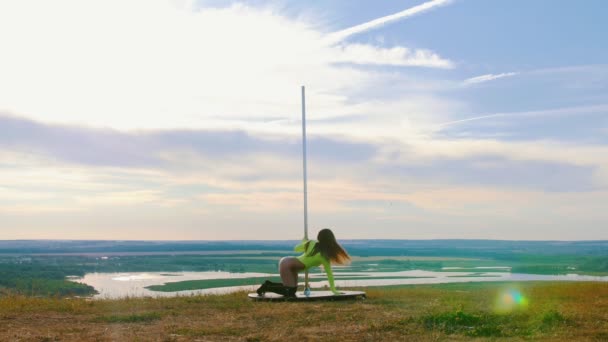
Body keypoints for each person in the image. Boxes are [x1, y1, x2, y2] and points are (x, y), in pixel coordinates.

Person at [256, 228, 351, 297]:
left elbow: (296, 248)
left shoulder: (312, 244)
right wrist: (334, 290)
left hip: (289, 263)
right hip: (288, 264)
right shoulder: (324, 256)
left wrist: (305, 242)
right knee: (289, 292)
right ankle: (266, 287)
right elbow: (329, 274)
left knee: (291, 289)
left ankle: (268, 284)